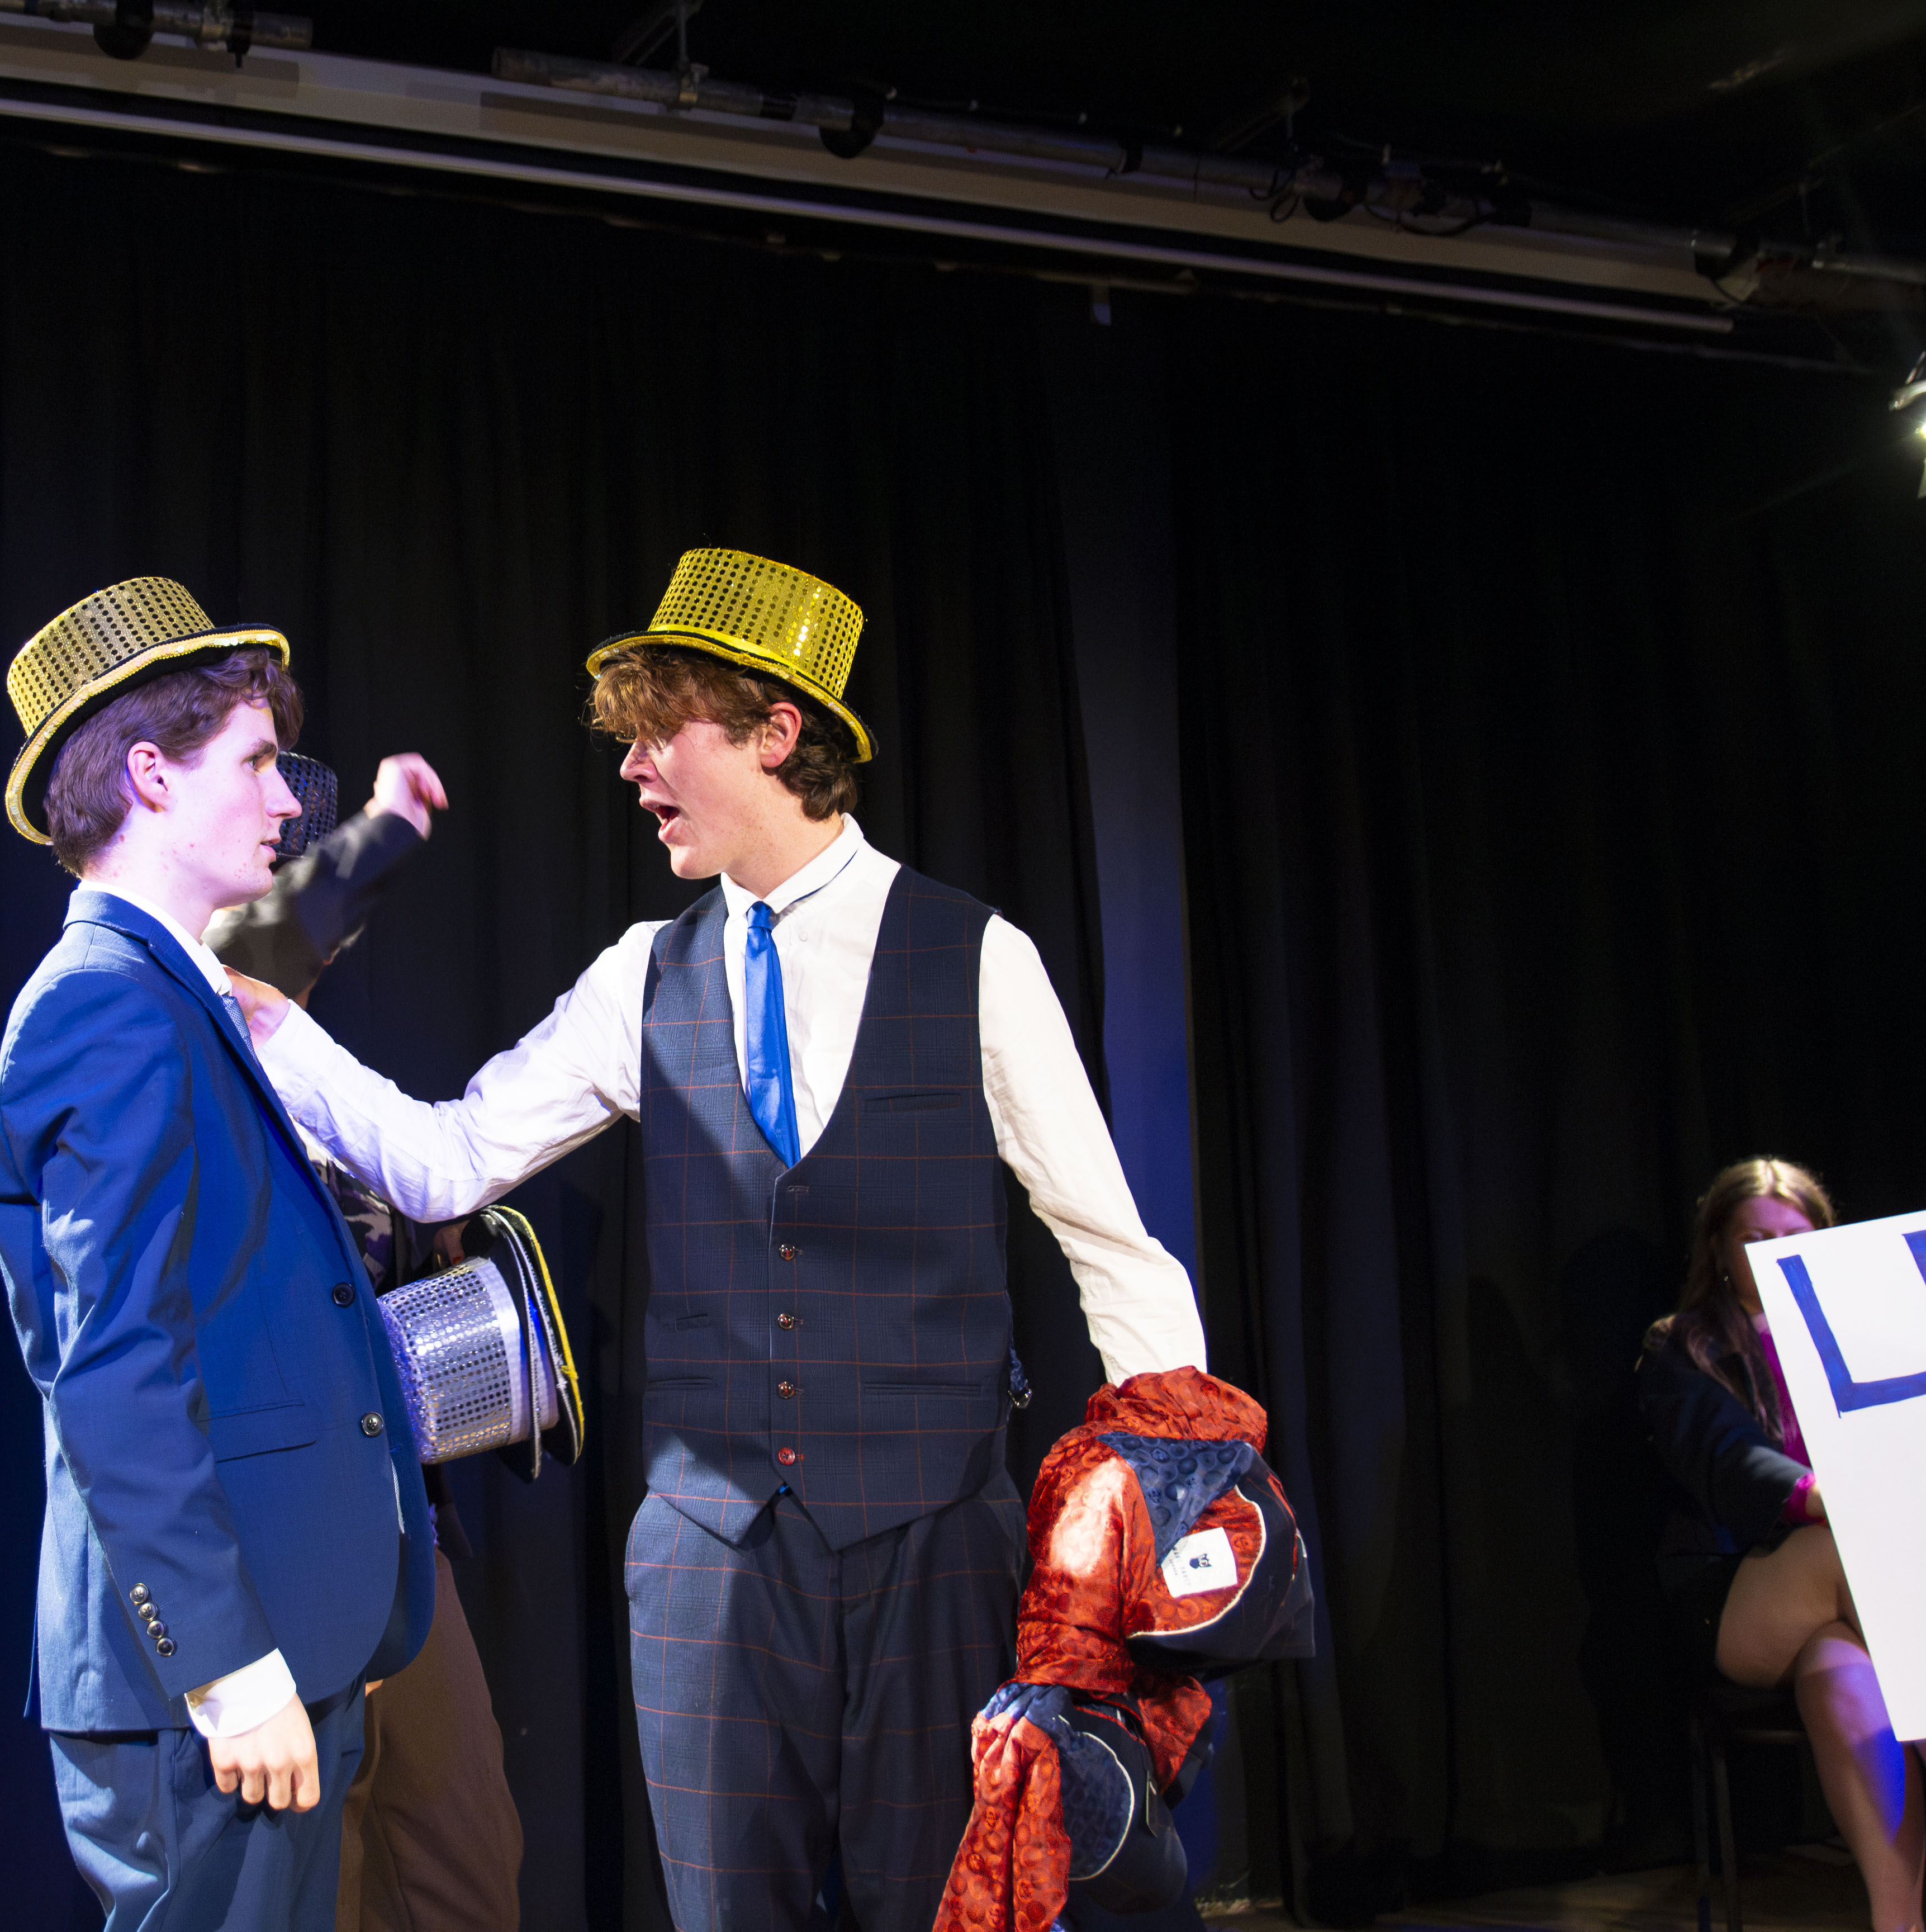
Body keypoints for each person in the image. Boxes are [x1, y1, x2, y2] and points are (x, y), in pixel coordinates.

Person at [229, 550, 1208, 1931]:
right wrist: (276, 1026)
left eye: (658, 732)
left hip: (935, 1544)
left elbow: (1109, 1244)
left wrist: (1177, 1492)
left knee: (937, 1909)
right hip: (709, 1556)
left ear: (774, 733)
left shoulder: (977, 957)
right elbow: (452, 1159)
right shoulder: (643, 973)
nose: (632, 769)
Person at [0, 576, 437, 1932]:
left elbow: (246, 1312)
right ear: (150, 777)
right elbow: (111, 1365)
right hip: (212, 1670)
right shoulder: (106, 1008)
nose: (288, 800)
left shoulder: (175, 989)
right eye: (256, 764)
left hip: (286, 1630)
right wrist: (229, 1668)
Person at [206, 747, 530, 1932]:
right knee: (310, 1890)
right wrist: (390, 828)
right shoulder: (179, 1022)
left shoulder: (324, 1077)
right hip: (266, 1557)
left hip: (401, 1542)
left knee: (462, 1871)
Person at [1638, 1157, 1926, 1932]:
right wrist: (1824, 1496)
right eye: (1753, 1239)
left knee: (1840, 1675)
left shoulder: (1874, 1332)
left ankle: (1897, 1922)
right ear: (1719, 1250)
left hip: (1855, 1599)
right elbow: (1726, 1460)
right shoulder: (1682, 1345)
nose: (1772, 1253)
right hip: (1739, 1591)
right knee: (1854, 1546)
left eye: (1792, 1237)